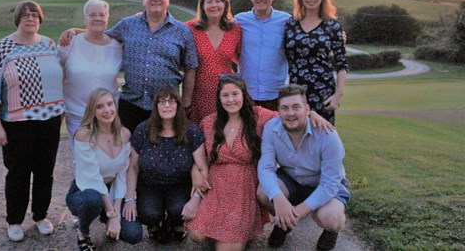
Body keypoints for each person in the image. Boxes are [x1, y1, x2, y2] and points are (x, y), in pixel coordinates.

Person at [60, 0, 198, 133]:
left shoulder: (182, 31)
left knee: (163, 152)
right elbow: (102, 34)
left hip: (166, 105)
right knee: (129, 153)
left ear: (168, 0)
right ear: (143, 0)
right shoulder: (128, 24)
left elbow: (190, 68)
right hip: (130, 106)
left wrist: (185, 103)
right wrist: (75, 30)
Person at [0, 0, 64, 242]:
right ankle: (14, 220)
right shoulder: (1, 48)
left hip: (50, 121)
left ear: (40, 19)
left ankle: (40, 216)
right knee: (18, 173)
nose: (30, 19)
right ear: (17, 19)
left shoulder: (49, 45)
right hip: (17, 123)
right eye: (25, 15)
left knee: (45, 171)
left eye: (35, 15)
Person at [187, 73, 278, 250]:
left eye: (235, 94)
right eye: (225, 95)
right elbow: (201, 156)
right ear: (219, 98)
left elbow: (289, 116)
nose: (231, 100)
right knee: (196, 235)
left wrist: (312, 114)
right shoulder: (209, 122)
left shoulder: (259, 116)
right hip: (216, 185)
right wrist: (195, 174)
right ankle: (225, 232)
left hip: (243, 185)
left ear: (243, 94)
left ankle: (241, 233)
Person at [257, 84, 350, 250]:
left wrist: (297, 212)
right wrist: (278, 199)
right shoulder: (271, 128)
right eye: (285, 108)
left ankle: (329, 231)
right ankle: (284, 224)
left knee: (331, 218)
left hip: (322, 183)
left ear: (307, 109)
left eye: (296, 107)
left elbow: (330, 184)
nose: (290, 113)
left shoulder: (328, 135)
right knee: (264, 193)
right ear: (278, 110)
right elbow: (265, 168)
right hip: (291, 179)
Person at [123, 87, 208, 244]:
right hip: (149, 185)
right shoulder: (143, 129)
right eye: (162, 102)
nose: (167, 105)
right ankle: (155, 224)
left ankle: (176, 223)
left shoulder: (191, 130)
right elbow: (133, 167)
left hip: (180, 185)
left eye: (171, 101)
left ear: (178, 105)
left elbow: (202, 167)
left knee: (179, 210)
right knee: (149, 213)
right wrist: (129, 199)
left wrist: (195, 199)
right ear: (156, 107)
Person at [66, 88, 142, 251]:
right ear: (92, 111)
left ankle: (105, 219)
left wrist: (117, 206)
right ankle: (83, 232)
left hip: (113, 188)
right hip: (85, 190)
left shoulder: (125, 134)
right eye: (100, 107)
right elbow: (93, 178)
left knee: (133, 234)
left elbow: (122, 173)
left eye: (110, 104)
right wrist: (112, 214)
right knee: (93, 200)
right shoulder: (84, 135)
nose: (107, 110)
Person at [57, 0, 122, 148]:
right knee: (83, 162)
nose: (97, 18)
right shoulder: (70, 43)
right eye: (92, 15)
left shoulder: (118, 46)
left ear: (107, 18)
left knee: (108, 162)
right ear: (85, 18)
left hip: (109, 117)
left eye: (101, 14)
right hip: (77, 116)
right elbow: (57, 75)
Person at [285, 0, 349, 124]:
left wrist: (337, 96)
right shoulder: (290, 24)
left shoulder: (332, 26)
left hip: (323, 94)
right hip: (295, 94)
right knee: (296, 141)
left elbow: (342, 64)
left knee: (321, 140)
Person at [185, 0, 241, 125]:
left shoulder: (235, 30)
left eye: (218, 1)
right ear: (202, 6)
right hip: (198, 95)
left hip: (226, 95)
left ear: (225, 4)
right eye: (209, 1)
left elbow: (241, 59)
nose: (214, 5)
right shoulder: (189, 28)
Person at [235, 0, 291, 111]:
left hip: (277, 95)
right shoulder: (239, 21)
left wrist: (335, 35)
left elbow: (309, 34)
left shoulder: (287, 21)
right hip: (246, 94)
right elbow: (214, 28)